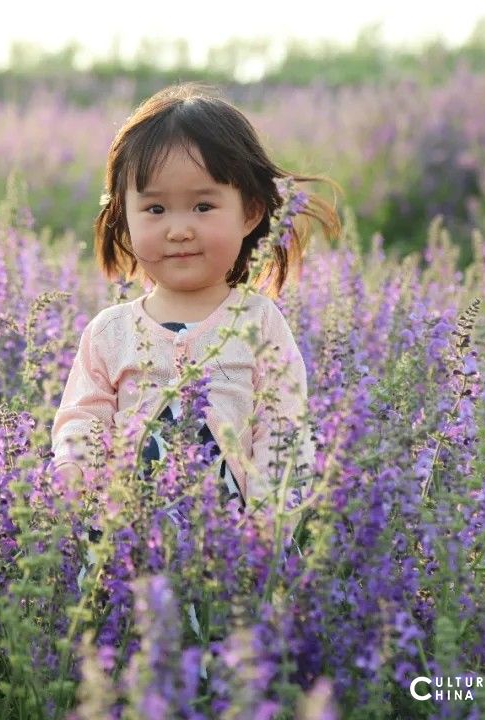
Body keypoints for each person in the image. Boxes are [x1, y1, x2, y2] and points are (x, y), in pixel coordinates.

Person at [50, 82, 340, 523]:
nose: (179, 229)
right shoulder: (110, 332)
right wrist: (76, 474)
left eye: (203, 206)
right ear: (124, 222)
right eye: (155, 210)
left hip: (231, 545)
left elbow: (283, 426)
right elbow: (83, 416)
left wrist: (269, 518)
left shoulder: (259, 323)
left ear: (250, 213)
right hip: (126, 544)